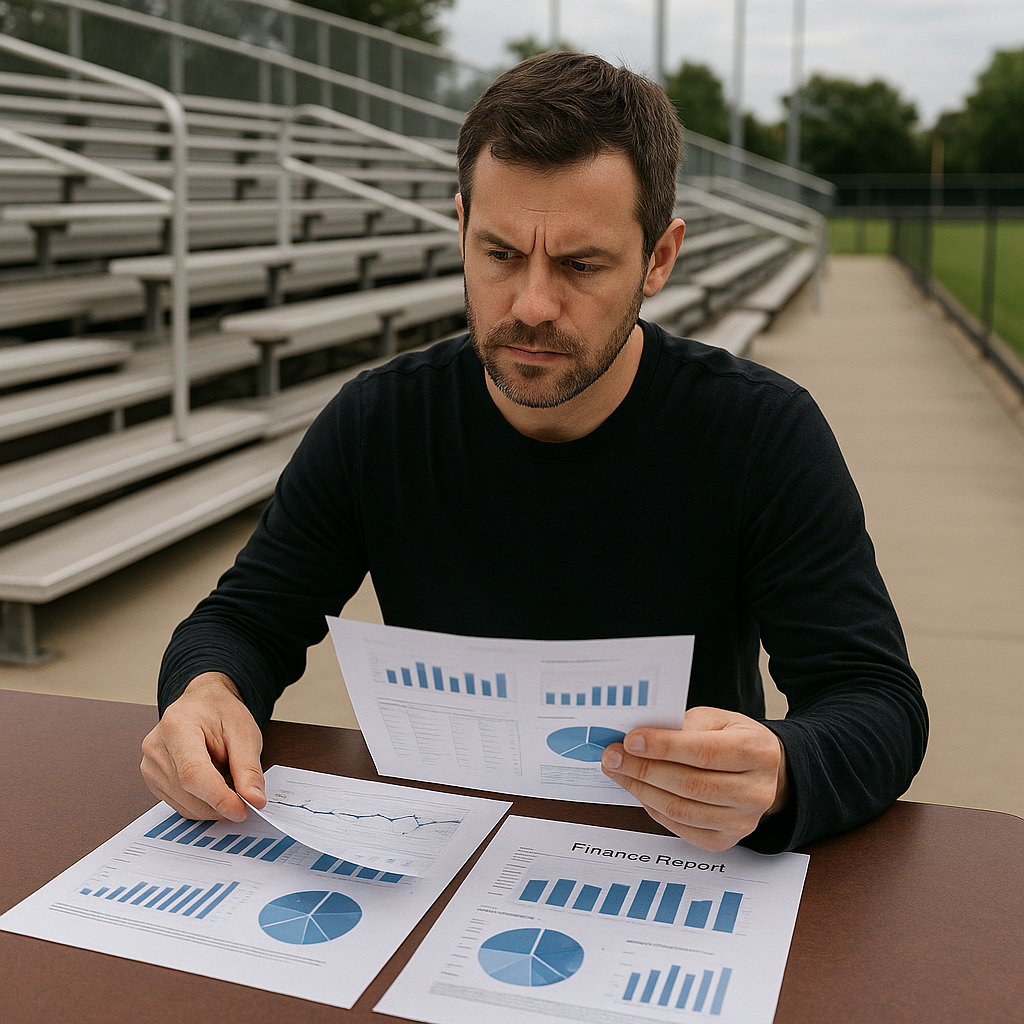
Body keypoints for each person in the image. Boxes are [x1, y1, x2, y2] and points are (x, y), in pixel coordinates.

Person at [142, 52, 927, 854]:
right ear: (460, 229)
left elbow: (874, 700)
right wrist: (207, 695)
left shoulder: (761, 433)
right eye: (500, 254)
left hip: (672, 863)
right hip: (440, 855)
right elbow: (244, 619)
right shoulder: (379, 421)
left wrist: (786, 768)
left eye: (582, 264)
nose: (532, 304)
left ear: (660, 258)